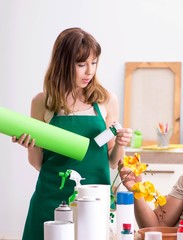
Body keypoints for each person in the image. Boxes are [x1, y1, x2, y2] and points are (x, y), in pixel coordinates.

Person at [12, 27, 132, 240]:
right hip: (50, 201)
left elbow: (113, 162)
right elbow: (38, 163)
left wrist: (121, 143)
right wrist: (30, 146)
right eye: (81, 64)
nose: (89, 72)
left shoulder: (106, 100)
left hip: (94, 203)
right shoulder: (42, 102)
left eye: (93, 63)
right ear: (63, 63)